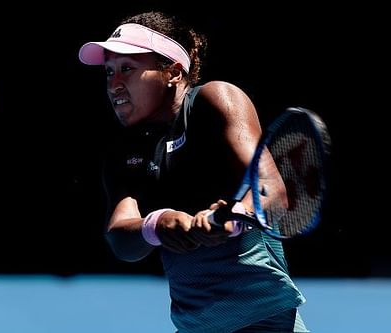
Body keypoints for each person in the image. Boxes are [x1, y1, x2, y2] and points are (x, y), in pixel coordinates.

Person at [78, 11, 309, 333]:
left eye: (127, 69)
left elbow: (270, 189)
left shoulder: (214, 100)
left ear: (172, 72)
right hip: (195, 325)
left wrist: (235, 218)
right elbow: (120, 237)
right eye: (109, 72)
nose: (114, 84)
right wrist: (158, 224)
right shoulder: (124, 151)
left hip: (265, 321)